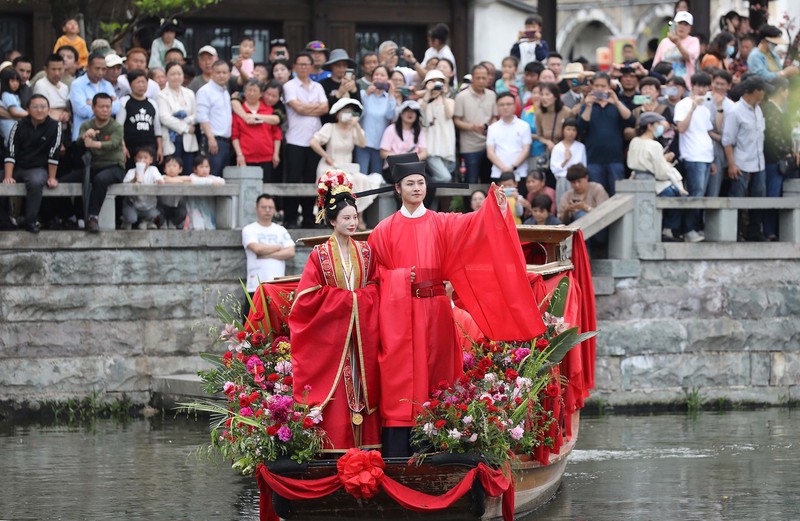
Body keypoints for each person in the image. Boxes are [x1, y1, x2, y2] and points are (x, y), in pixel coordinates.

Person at [367, 155, 545, 456]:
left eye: (421, 182)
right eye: (410, 183)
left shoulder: (441, 222)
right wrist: (399, 277)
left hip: (436, 309)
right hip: (399, 315)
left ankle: (440, 446)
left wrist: (496, 206)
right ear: (398, 188)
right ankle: (397, 451)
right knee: (399, 379)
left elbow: (474, 225)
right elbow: (373, 276)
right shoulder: (383, 230)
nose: (416, 188)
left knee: (438, 375)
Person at [288, 171, 381, 452]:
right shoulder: (319, 255)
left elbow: (376, 286)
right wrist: (350, 301)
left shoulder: (367, 252)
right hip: (333, 338)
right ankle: (334, 447)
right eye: (346, 218)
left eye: (355, 217)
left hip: (362, 336)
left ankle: (369, 447)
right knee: (337, 388)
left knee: (365, 383)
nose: (353, 223)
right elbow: (307, 299)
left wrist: (359, 302)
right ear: (332, 221)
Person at [58, 92, 124, 233]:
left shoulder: (116, 126)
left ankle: (92, 217)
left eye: (108, 107)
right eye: (101, 107)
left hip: (114, 167)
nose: (105, 110)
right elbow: (80, 145)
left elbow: (113, 144)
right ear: (93, 108)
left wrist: (93, 143)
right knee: (60, 183)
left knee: (101, 179)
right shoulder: (87, 125)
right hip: (92, 167)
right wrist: (85, 137)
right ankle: (69, 216)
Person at [1, 94, 61, 233]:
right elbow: (11, 151)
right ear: (28, 109)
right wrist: (8, 176)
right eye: (35, 107)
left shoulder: (55, 126)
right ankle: (4, 220)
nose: (39, 110)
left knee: (35, 182)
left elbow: (54, 153)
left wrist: (52, 177)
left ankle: (31, 220)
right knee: (3, 179)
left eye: (43, 107)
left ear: (48, 109)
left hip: (37, 168)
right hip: (17, 166)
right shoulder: (19, 125)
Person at [283, 52, 328, 228]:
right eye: (299, 64)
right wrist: (313, 108)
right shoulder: (289, 85)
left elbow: (325, 108)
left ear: (311, 67)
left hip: (315, 141)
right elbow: (297, 108)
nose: (303, 67)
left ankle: (310, 218)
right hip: (295, 140)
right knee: (293, 180)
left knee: (312, 179)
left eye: (306, 64)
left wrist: (306, 107)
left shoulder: (318, 87)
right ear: (295, 66)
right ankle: (290, 218)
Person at [627, 112, 688, 241]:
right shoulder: (655, 145)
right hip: (652, 181)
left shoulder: (634, 141)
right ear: (650, 126)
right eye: (658, 124)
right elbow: (660, 172)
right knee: (675, 194)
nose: (661, 127)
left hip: (636, 178)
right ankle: (668, 229)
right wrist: (666, 162)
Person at [723, 77, 767, 241]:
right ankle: (736, 232)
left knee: (759, 199)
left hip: (758, 162)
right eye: (762, 90)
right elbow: (727, 140)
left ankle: (755, 232)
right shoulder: (735, 111)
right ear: (755, 91)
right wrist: (731, 164)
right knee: (738, 199)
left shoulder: (758, 109)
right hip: (741, 163)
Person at [674, 71, 714, 242]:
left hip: (706, 156)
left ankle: (695, 228)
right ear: (692, 85)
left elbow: (707, 132)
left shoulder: (706, 108)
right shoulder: (683, 104)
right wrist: (692, 107)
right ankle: (689, 230)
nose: (702, 89)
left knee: (701, 194)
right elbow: (681, 128)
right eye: (699, 85)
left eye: (705, 86)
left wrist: (711, 160)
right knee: (695, 193)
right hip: (692, 155)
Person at [578, 72, 633, 196]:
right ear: (592, 87)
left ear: (609, 87)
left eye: (603, 86)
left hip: (615, 158)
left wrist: (617, 102)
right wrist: (588, 106)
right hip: (594, 159)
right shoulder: (587, 105)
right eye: (597, 85)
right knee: (597, 194)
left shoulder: (616, 104)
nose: (599, 88)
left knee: (617, 194)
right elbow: (581, 127)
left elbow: (629, 119)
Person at [242, 193, 295, 316]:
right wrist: (278, 247)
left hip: (277, 286)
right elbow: (257, 249)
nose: (267, 210)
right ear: (256, 209)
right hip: (255, 286)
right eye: (263, 207)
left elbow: (291, 251)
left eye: (270, 207)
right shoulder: (249, 229)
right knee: (252, 327)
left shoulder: (280, 230)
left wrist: (266, 254)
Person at [232, 79, 282, 182]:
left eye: (254, 91)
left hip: (267, 158)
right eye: (248, 90)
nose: (251, 93)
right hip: (246, 158)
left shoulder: (269, 110)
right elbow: (235, 135)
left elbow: (276, 134)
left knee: (267, 188)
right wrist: (239, 154)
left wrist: (276, 154)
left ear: (261, 94)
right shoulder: (239, 111)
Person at [454, 64, 497, 183]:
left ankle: (487, 202)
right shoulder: (461, 96)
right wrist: (472, 127)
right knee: (470, 180)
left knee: (488, 180)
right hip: (469, 146)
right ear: (472, 78)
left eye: (484, 78)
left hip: (489, 144)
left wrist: (490, 127)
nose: (481, 81)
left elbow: (494, 117)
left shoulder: (492, 95)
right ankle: (468, 202)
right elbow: (456, 120)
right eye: (478, 78)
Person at [762, 78, 792, 241]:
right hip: (773, 160)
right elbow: (774, 137)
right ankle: (769, 231)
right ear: (782, 90)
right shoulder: (771, 109)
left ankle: (773, 230)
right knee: (773, 195)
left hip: (775, 160)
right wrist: (787, 152)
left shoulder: (776, 108)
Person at [117, 69, 163, 168]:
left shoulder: (152, 103)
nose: (141, 85)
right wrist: (122, 147)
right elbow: (119, 127)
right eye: (138, 82)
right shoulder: (124, 101)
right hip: (131, 148)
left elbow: (157, 128)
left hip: (149, 147)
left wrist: (160, 148)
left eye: (144, 82)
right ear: (130, 84)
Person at [158, 61, 199, 171]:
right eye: (173, 74)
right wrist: (185, 128)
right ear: (166, 76)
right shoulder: (161, 95)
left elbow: (196, 114)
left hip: (188, 140)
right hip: (172, 139)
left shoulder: (189, 93)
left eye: (179, 74)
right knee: (172, 172)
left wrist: (186, 120)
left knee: (188, 172)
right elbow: (164, 117)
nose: (176, 77)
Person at [69, 52, 119, 142]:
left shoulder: (107, 85)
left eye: (104, 69)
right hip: (83, 137)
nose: (100, 72)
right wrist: (106, 106)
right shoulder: (77, 84)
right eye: (97, 68)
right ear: (88, 67)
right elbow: (81, 110)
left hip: (105, 137)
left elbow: (116, 108)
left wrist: (92, 103)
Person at [417, 70, 455, 185]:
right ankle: (424, 184)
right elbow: (420, 113)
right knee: (445, 178)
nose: (436, 84)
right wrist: (428, 93)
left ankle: (427, 190)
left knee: (444, 184)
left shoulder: (449, 101)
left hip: (447, 145)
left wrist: (443, 95)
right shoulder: (421, 101)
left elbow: (449, 115)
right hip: (430, 147)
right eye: (432, 81)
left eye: (439, 82)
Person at [357, 64, 396, 175]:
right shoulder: (363, 94)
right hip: (363, 142)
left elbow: (390, 116)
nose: (378, 77)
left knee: (376, 177)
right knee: (361, 175)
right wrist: (367, 95)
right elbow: (358, 114)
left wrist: (391, 94)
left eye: (382, 75)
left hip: (380, 144)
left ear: (388, 79)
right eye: (376, 74)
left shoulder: (388, 98)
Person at [196, 60, 232, 177]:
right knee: (212, 177)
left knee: (223, 179)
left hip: (226, 142)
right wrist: (211, 138)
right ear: (212, 73)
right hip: (213, 141)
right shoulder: (205, 91)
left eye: (224, 72)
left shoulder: (225, 92)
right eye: (218, 72)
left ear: (229, 74)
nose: (221, 75)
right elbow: (202, 116)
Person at [486, 92, 531, 182]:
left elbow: (526, 150)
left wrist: (512, 167)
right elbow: (490, 152)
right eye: (501, 105)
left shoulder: (524, 126)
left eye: (509, 104)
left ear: (515, 106)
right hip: (498, 173)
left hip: (519, 173)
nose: (505, 107)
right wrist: (503, 168)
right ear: (497, 107)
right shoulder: (492, 128)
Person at [120, 146, 164, 230]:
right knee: (131, 218)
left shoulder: (153, 170)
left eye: (145, 158)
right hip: (133, 205)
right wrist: (134, 180)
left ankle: (146, 221)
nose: (142, 160)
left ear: (151, 160)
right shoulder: (131, 171)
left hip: (149, 206)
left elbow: (159, 179)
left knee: (156, 214)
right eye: (139, 158)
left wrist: (159, 181)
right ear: (135, 159)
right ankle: (126, 220)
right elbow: (124, 186)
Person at [653, 11, 700, 88]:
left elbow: (689, 57)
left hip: (685, 86)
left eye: (685, 24)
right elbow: (656, 65)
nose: (682, 27)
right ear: (674, 25)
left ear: (690, 28)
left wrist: (678, 43)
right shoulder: (664, 42)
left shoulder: (694, 41)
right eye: (680, 23)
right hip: (665, 85)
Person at [318, 49, 361, 125]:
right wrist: (339, 94)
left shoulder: (355, 85)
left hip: (349, 126)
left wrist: (354, 92)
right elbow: (324, 111)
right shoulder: (322, 84)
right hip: (329, 127)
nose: (341, 69)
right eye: (338, 65)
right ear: (331, 67)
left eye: (344, 65)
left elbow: (358, 111)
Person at [549, 118, 586, 205]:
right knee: (563, 204)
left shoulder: (581, 147)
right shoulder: (557, 148)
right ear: (563, 130)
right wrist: (566, 160)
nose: (571, 133)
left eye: (574, 130)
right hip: (562, 179)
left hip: (577, 179)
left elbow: (583, 166)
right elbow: (554, 169)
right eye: (568, 129)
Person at [187, 155, 225, 229]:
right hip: (196, 207)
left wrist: (212, 181)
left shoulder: (210, 177)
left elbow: (222, 181)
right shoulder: (192, 177)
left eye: (207, 167)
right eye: (201, 167)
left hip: (208, 208)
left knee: (210, 226)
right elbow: (196, 181)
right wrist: (211, 182)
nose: (204, 170)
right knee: (197, 226)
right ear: (195, 169)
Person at [33, 54, 70, 131]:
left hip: (63, 128)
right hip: (46, 129)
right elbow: (42, 111)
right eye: (53, 69)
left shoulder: (65, 87)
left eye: (60, 69)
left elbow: (67, 110)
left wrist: (66, 115)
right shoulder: (41, 85)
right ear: (46, 70)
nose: (57, 73)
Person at [534, 82, 572, 154]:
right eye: (542, 94)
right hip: (548, 151)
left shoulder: (566, 112)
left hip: (565, 151)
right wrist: (547, 142)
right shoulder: (539, 113)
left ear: (555, 97)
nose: (544, 97)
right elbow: (539, 135)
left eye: (547, 94)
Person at [158, 156, 189, 229]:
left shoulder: (184, 178)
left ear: (180, 169)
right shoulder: (161, 177)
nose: (171, 168)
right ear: (165, 169)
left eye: (174, 166)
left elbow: (189, 179)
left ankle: (173, 223)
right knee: (157, 210)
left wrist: (175, 179)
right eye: (168, 166)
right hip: (163, 206)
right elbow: (164, 179)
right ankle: (163, 223)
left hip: (176, 207)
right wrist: (179, 181)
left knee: (183, 212)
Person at [0, 68, 28, 146]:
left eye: (17, 81)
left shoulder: (14, 95)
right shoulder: (7, 95)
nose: (15, 83)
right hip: (10, 129)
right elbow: (14, 111)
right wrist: (29, 114)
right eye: (12, 81)